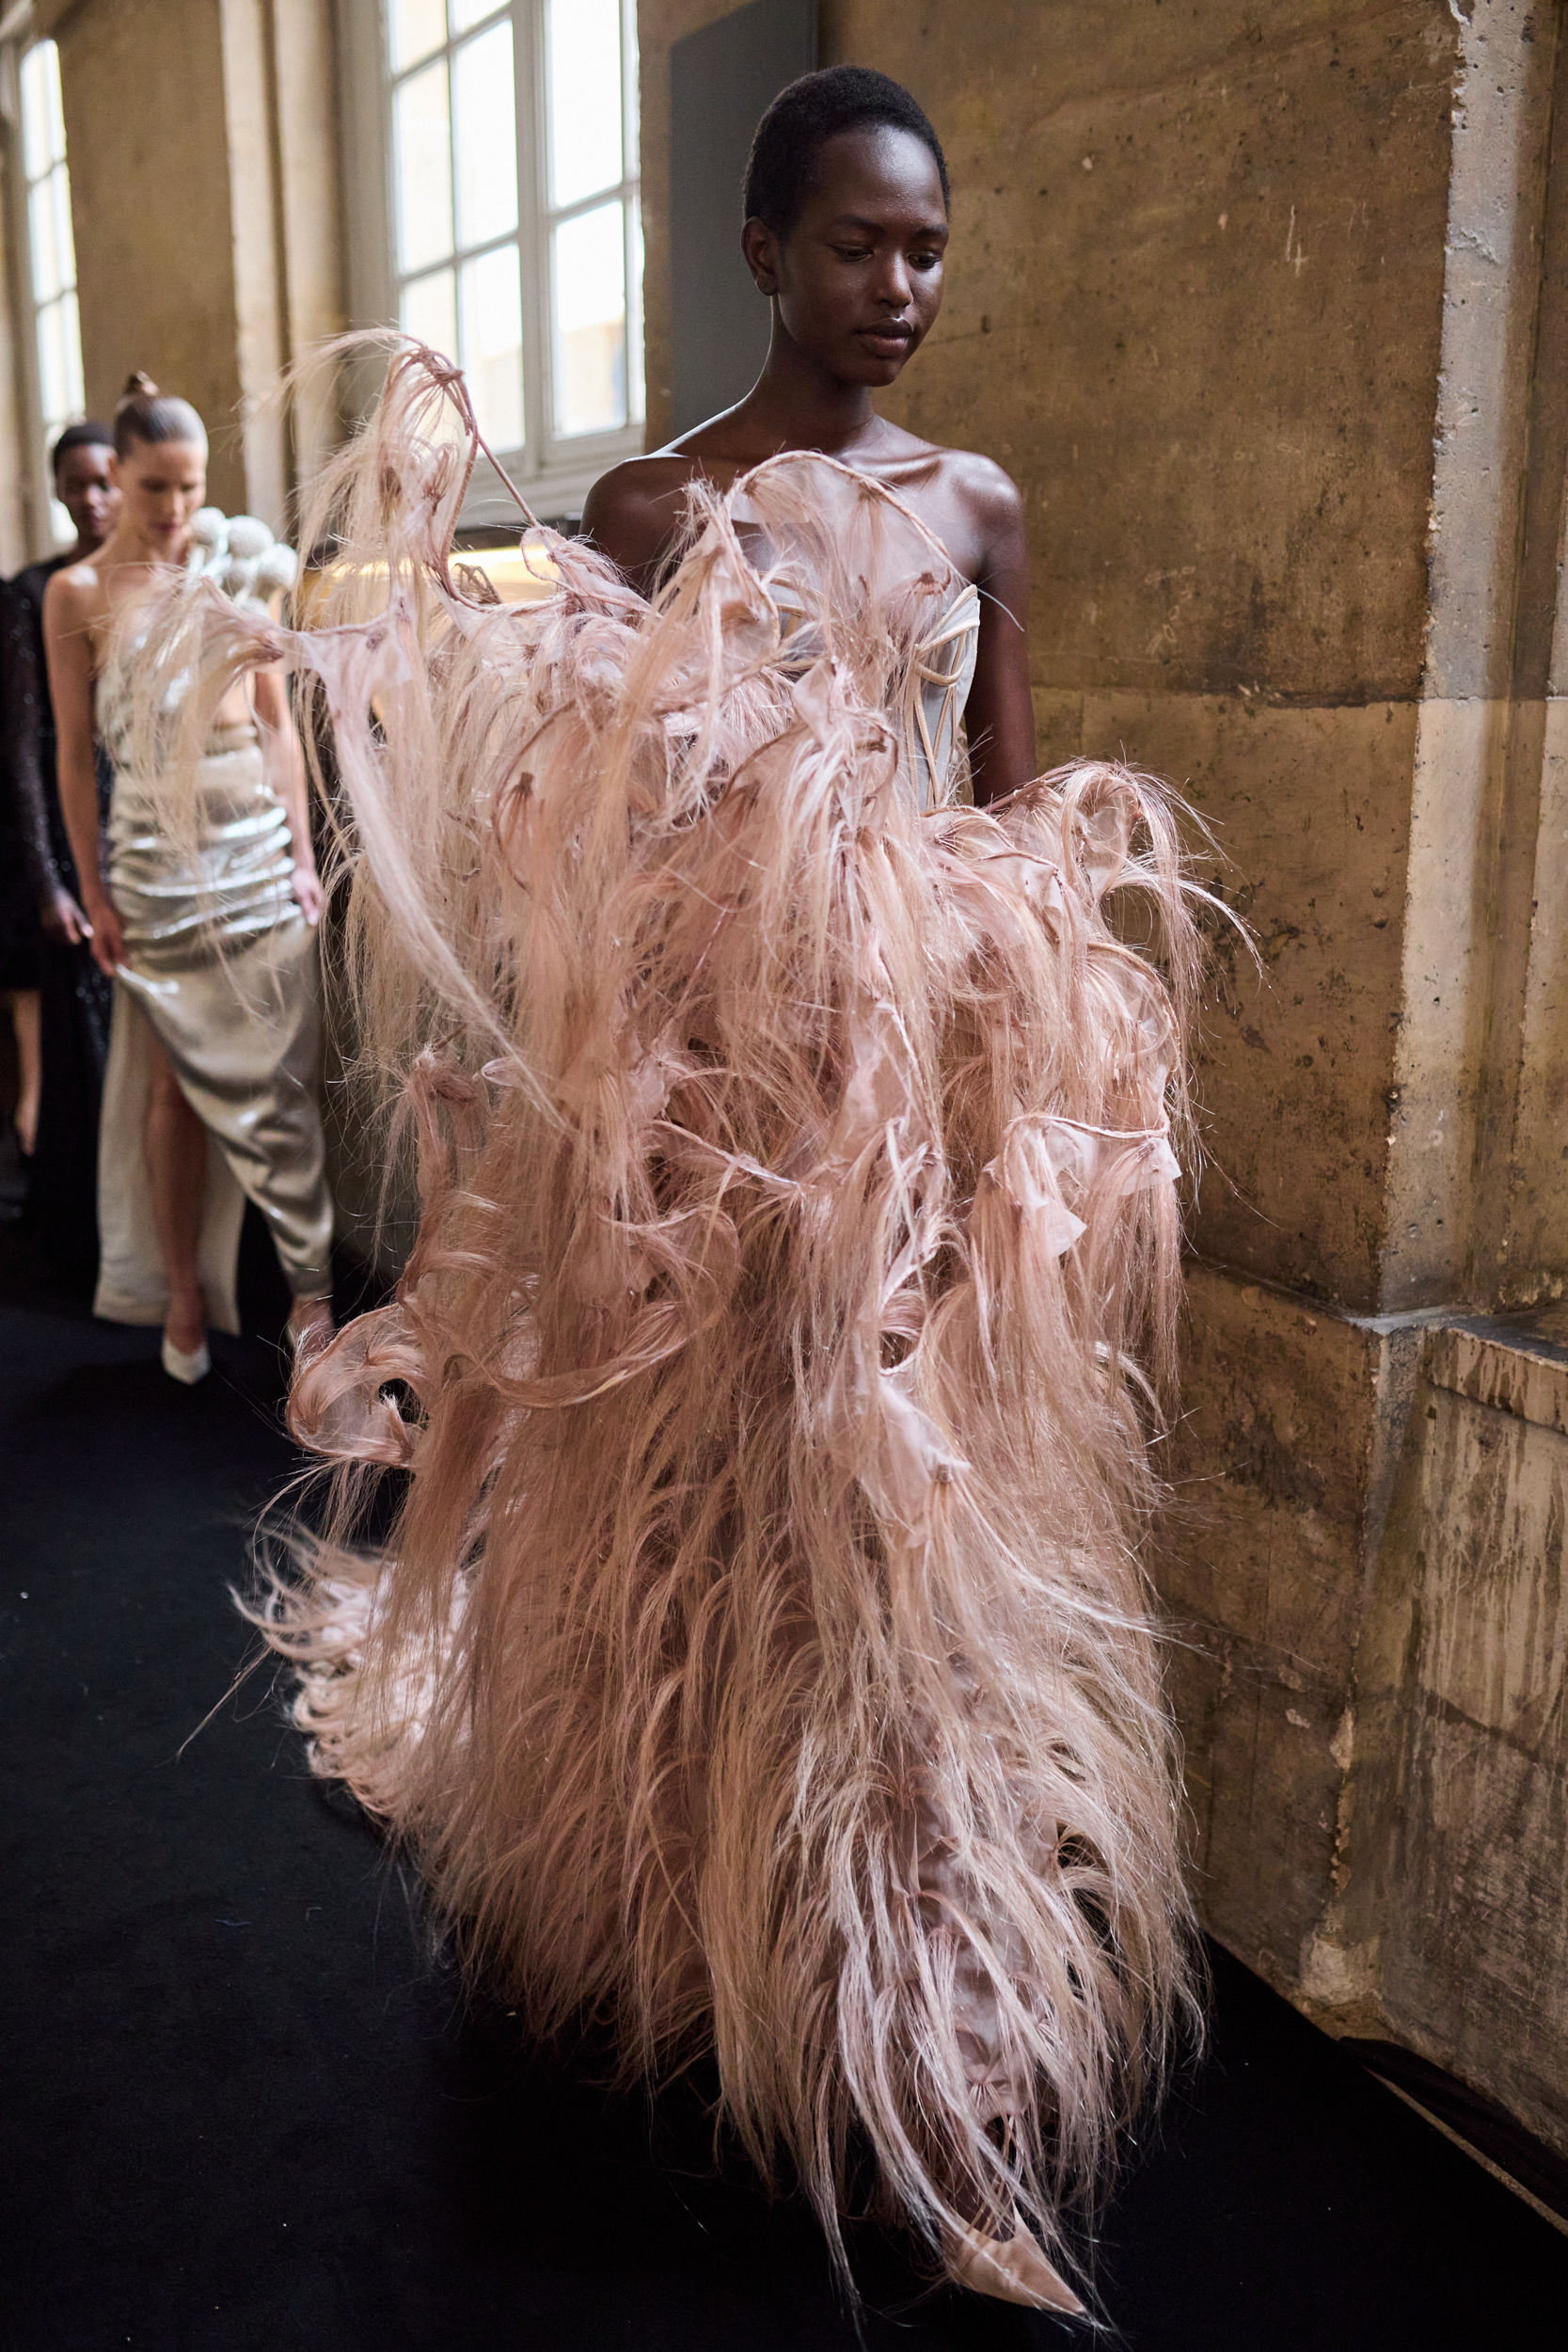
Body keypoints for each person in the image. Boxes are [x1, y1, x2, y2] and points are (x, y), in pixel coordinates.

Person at [194, 68, 1209, 2316]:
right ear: (765, 254)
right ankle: (699, 1929)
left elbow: (1021, 819)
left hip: (930, 1132)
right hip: (726, 1146)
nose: (904, 289)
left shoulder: (978, 513)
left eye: (931, 247)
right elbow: (609, 861)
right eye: (860, 245)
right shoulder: (662, 511)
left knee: (913, 1580)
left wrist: (1023, 1050)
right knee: (737, 1552)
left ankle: (933, 2090)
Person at [45, 374, 333, 1380]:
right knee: (169, 1089)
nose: (173, 510)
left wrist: (301, 855)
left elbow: (276, 728)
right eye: (154, 486)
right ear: (115, 478)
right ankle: (179, 1290)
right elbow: (75, 758)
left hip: (256, 856)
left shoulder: (231, 576)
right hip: (153, 871)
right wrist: (93, 889)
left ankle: (312, 1302)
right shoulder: (75, 595)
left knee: (283, 1083)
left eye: (189, 486)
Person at [2, 421, 119, 1280]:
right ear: (56, 490)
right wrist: (48, 879)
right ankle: (88, 1243)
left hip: (143, 828)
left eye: (107, 480)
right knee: (84, 1042)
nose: (94, 498)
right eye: (75, 483)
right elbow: (22, 745)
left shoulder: (157, 579)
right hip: (69, 833)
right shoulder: (30, 591)